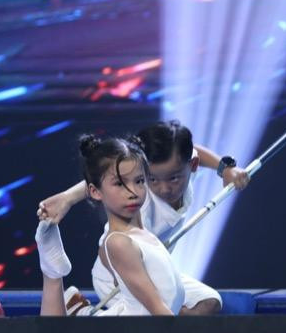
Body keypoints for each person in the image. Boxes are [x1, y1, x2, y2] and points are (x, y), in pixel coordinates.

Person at [37, 121, 249, 315]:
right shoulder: (136, 206)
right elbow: (106, 178)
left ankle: (78, 308)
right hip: (117, 275)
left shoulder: (175, 165)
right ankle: (80, 310)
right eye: (152, 179)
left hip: (155, 270)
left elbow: (194, 151)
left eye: (173, 178)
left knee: (209, 302)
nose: (164, 188)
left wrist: (224, 169)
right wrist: (67, 198)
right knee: (164, 313)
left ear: (191, 166)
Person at [37, 134, 183, 316]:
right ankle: (52, 274)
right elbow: (159, 312)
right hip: (133, 331)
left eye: (139, 181)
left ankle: (79, 311)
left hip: (136, 322)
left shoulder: (140, 234)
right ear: (94, 192)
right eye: (120, 183)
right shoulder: (118, 243)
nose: (133, 192)